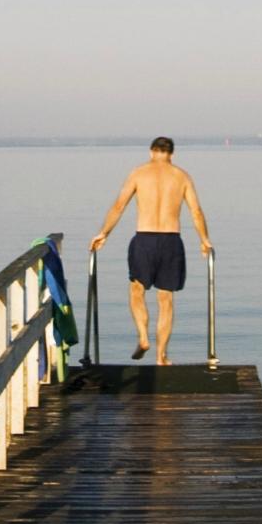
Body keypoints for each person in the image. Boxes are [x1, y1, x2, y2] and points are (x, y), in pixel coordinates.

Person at [89, 136, 213, 366]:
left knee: (137, 291)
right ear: (172, 154)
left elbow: (119, 206)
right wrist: (204, 240)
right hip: (171, 240)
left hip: (144, 239)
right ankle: (161, 356)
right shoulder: (182, 176)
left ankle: (143, 337)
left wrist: (103, 233)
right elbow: (196, 211)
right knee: (165, 299)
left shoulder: (138, 173)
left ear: (151, 152)